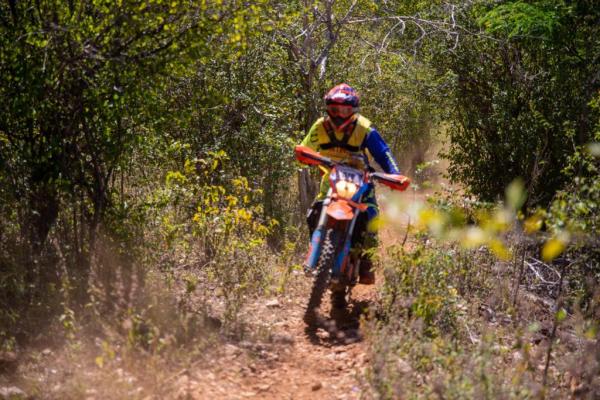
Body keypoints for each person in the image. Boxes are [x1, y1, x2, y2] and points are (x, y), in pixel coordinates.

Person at [299, 83, 401, 284]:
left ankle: (366, 263)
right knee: (313, 213)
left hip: (362, 183)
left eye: (345, 109)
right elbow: (305, 147)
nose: (339, 114)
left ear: (353, 110)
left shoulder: (364, 128)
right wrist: (304, 154)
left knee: (371, 216)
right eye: (334, 109)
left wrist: (395, 173)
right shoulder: (320, 126)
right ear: (328, 108)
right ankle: (316, 251)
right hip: (331, 181)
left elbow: (383, 152)